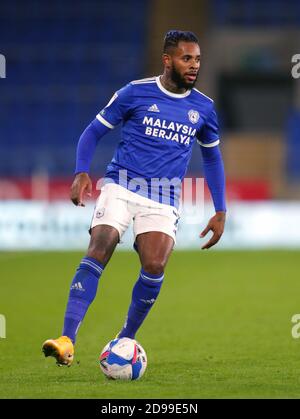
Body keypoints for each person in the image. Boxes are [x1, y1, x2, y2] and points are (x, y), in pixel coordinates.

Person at [42, 30, 226, 366]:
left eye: (197, 59)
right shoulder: (135, 92)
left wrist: (220, 208)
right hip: (121, 185)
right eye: (187, 58)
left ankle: (125, 339)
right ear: (167, 60)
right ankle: (67, 338)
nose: (194, 65)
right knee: (101, 246)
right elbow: (93, 131)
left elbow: (212, 157)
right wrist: (81, 171)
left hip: (164, 197)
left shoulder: (204, 108)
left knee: (155, 264)